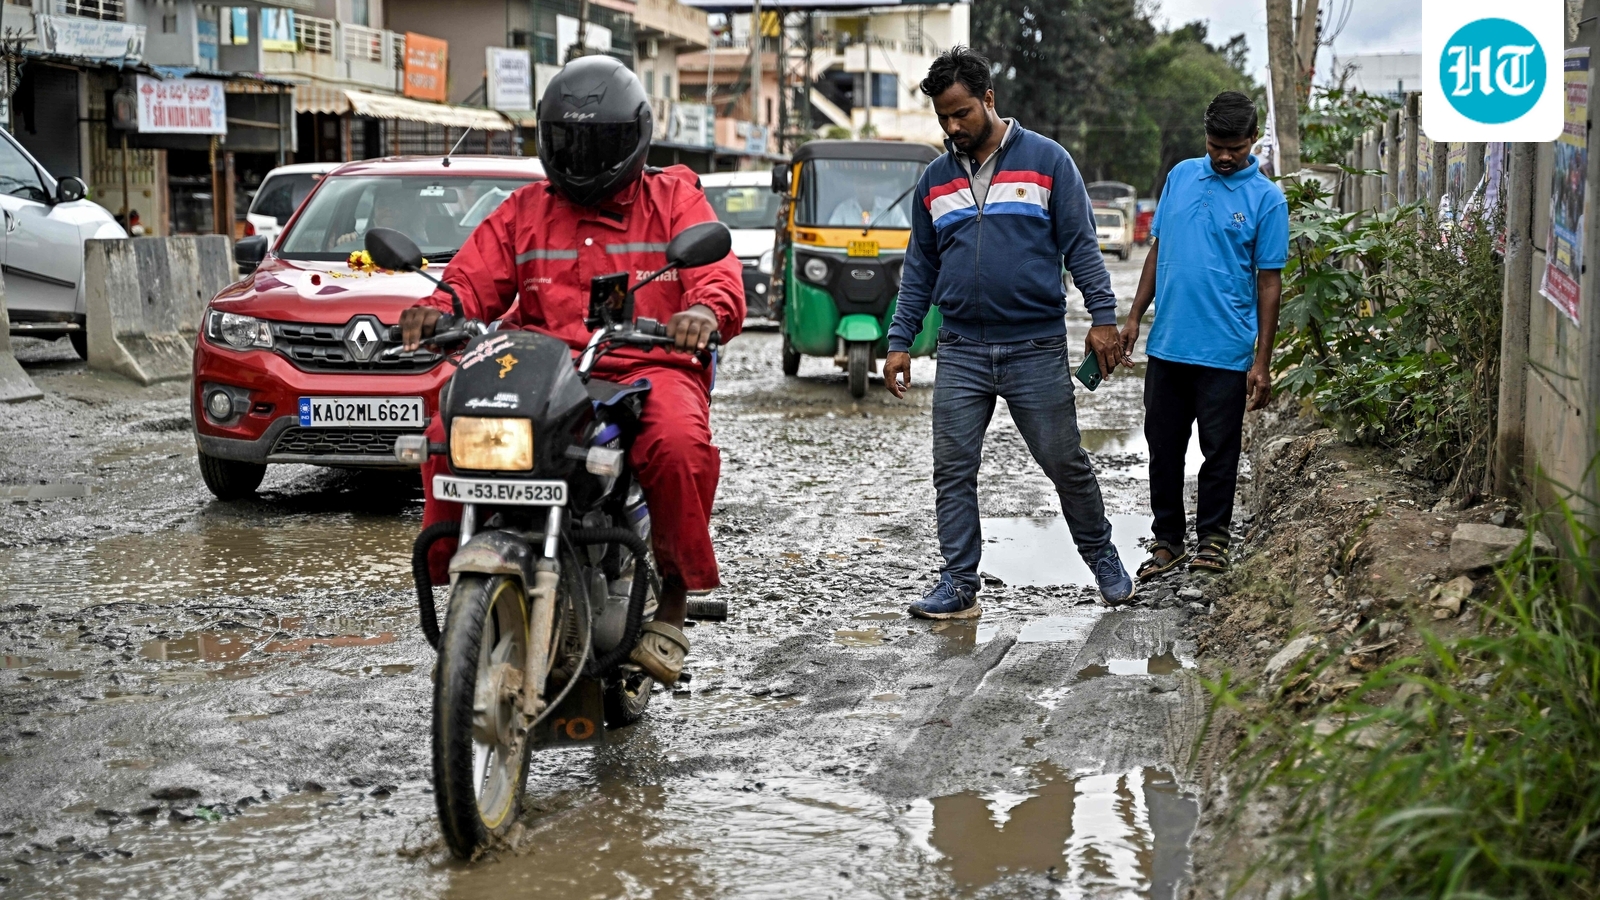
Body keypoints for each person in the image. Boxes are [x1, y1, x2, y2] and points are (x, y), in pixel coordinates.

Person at [398, 56, 745, 684]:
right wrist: (437, 309)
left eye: (599, 142)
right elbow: (471, 280)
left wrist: (702, 311)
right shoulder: (525, 210)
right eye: (569, 142)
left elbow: (717, 277)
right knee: (450, 416)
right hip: (544, 367)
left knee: (678, 444)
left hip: (648, 363)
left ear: (633, 139)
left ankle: (672, 598)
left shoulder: (673, 197)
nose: (582, 157)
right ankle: (457, 570)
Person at [883, 46, 1134, 619]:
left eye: (962, 113)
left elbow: (1082, 248)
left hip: (1035, 347)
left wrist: (1102, 319)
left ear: (989, 99)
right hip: (962, 350)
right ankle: (958, 582)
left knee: (1064, 460)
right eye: (943, 117)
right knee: (952, 468)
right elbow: (919, 268)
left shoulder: (1049, 162)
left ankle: (1103, 561)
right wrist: (900, 341)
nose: (953, 127)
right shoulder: (934, 180)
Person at [1119, 91, 1288, 578]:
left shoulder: (1267, 200)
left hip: (1226, 351)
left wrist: (1262, 360)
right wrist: (1134, 317)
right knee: (1163, 447)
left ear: (1252, 140)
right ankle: (1167, 541)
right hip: (1169, 346)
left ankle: (1214, 540)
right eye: (1216, 145)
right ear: (1206, 138)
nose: (1224, 155)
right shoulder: (1179, 177)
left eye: (1234, 146)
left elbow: (1269, 282)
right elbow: (1157, 250)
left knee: (1221, 450)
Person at [827, 179, 909, 228]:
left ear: (874, 186)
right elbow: (829, 236)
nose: (865, 188)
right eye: (861, 183)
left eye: (868, 184)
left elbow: (908, 237)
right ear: (855, 186)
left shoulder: (892, 208)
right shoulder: (843, 209)